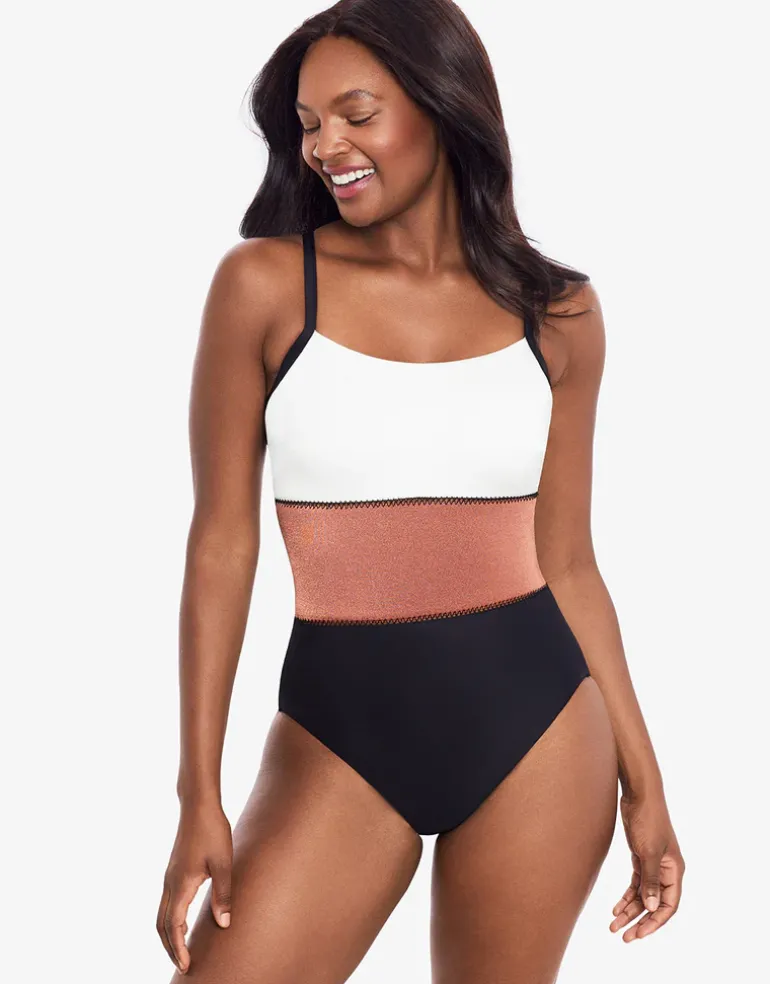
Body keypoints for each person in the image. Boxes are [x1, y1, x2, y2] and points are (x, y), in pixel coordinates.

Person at [156, 1, 685, 979]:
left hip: (539, 734)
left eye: (356, 114)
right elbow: (221, 544)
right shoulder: (265, 288)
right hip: (336, 734)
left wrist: (644, 784)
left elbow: (569, 561)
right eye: (308, 124)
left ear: (443, 106)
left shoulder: (557, 314)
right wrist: (199, 793)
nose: (326, 146)